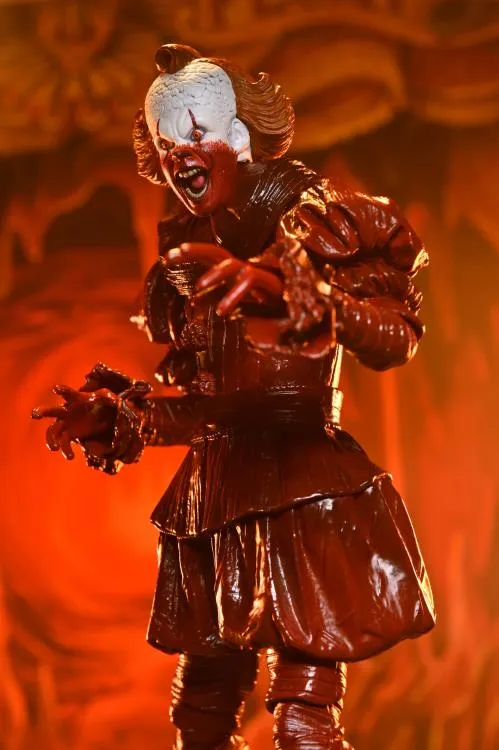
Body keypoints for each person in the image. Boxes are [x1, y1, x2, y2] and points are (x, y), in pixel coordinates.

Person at [32, 43, 435, 750]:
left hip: (304, 496)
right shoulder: (188, 255)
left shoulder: (317, 224)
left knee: (303, 724)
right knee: (199, 718)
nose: (179, 156)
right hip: (213, 508)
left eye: (195, 132)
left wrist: (300, 295)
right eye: (165, 144)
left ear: (241, 137)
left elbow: (395, 336)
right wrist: (123, 417)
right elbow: (205, 408)